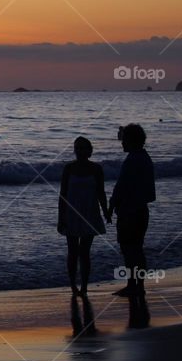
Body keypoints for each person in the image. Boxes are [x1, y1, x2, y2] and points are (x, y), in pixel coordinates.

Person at [107, 123, 155, 297]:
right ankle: (137, 285)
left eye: (124, 139)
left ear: (131, 140)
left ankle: (133, 285)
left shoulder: (133, 160)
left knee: (129, 249)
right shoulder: (144, 158)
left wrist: (112, 205)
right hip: (140, 210)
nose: (122, 143)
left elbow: (121, 187)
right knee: (136, 249)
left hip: (130, 212)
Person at [58, 136, 109, 296]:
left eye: (83, 148)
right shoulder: (69, 168)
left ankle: (85, 287)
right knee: (72, 251)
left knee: (85, 251)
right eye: (77, 148)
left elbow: (101, 192)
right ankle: (73, 286)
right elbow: (62, 195)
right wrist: (61, 217)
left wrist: (106, 210)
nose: (80, 151)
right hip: (71, 213)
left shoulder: (96, 169)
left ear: (90, 151)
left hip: (90, 212)